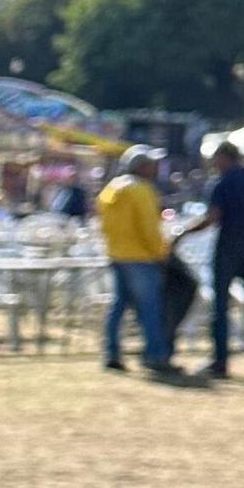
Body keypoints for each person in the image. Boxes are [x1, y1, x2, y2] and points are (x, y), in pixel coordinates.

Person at [179, 140, 244, 377]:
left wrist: (184, 233)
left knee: (220, 306)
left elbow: (212, 217)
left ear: (224, 158)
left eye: (216, 160)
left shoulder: (221, 183)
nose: (214, 165)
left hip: (228, 249)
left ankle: (220, 361)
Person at [99, 145, 178, 375]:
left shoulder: (110, 190)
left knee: (118, 307)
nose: (155, 168)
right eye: (152, 164)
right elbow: (149, 228)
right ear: (141, 166)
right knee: (150, 309)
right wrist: (161, 253)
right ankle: (156, 356)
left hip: (117, 254)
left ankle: (112, 352)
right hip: (141, 257)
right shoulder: (142, 190)